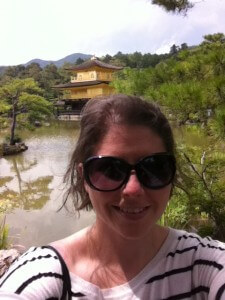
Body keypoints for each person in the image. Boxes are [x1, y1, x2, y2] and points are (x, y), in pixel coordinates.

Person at [0, 94, 225, 300]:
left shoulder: (205, 264)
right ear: (84, 177)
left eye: (154, 168)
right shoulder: (45, 273)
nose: (133, 190)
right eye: (109, 170)